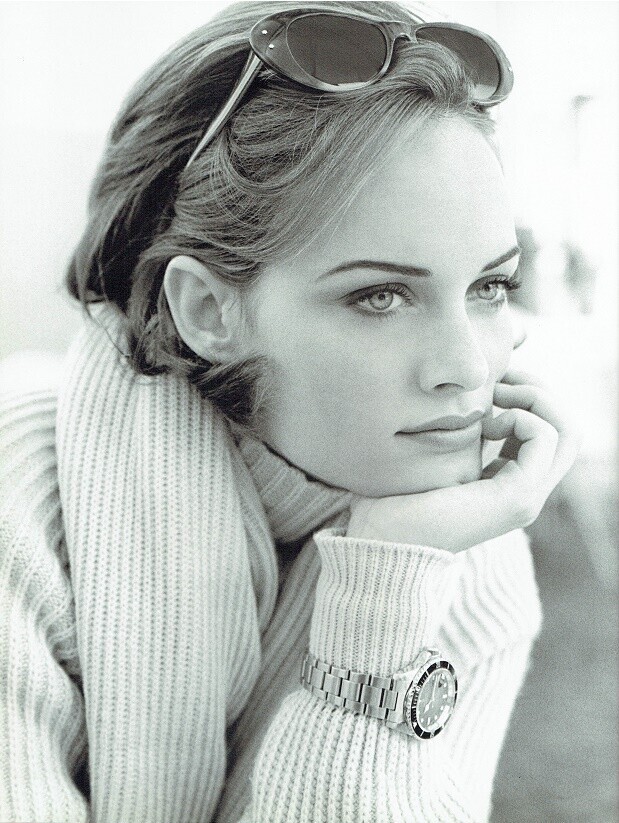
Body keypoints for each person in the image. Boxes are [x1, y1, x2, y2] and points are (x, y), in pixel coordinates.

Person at [0, 1, 579, 821]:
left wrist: (383, 586)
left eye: (489, 286)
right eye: (380, 296)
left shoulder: (466, 551)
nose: (469, 367)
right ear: (207, 311)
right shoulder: (23, 497)